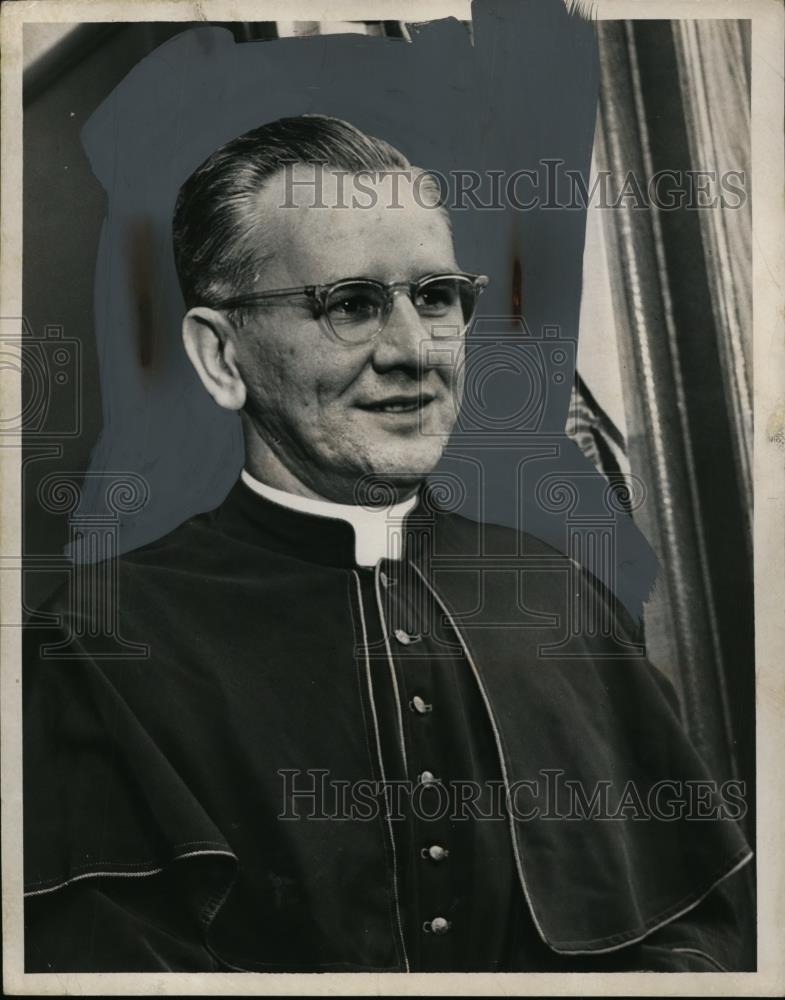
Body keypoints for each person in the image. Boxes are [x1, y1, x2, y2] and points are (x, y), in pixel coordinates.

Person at [23, 115, 752, 973]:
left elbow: (703, 933)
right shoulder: (100, 640)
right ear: (222, 357)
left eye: (436, 296)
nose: (412, 351)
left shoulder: (556, 594)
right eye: (352, 305)